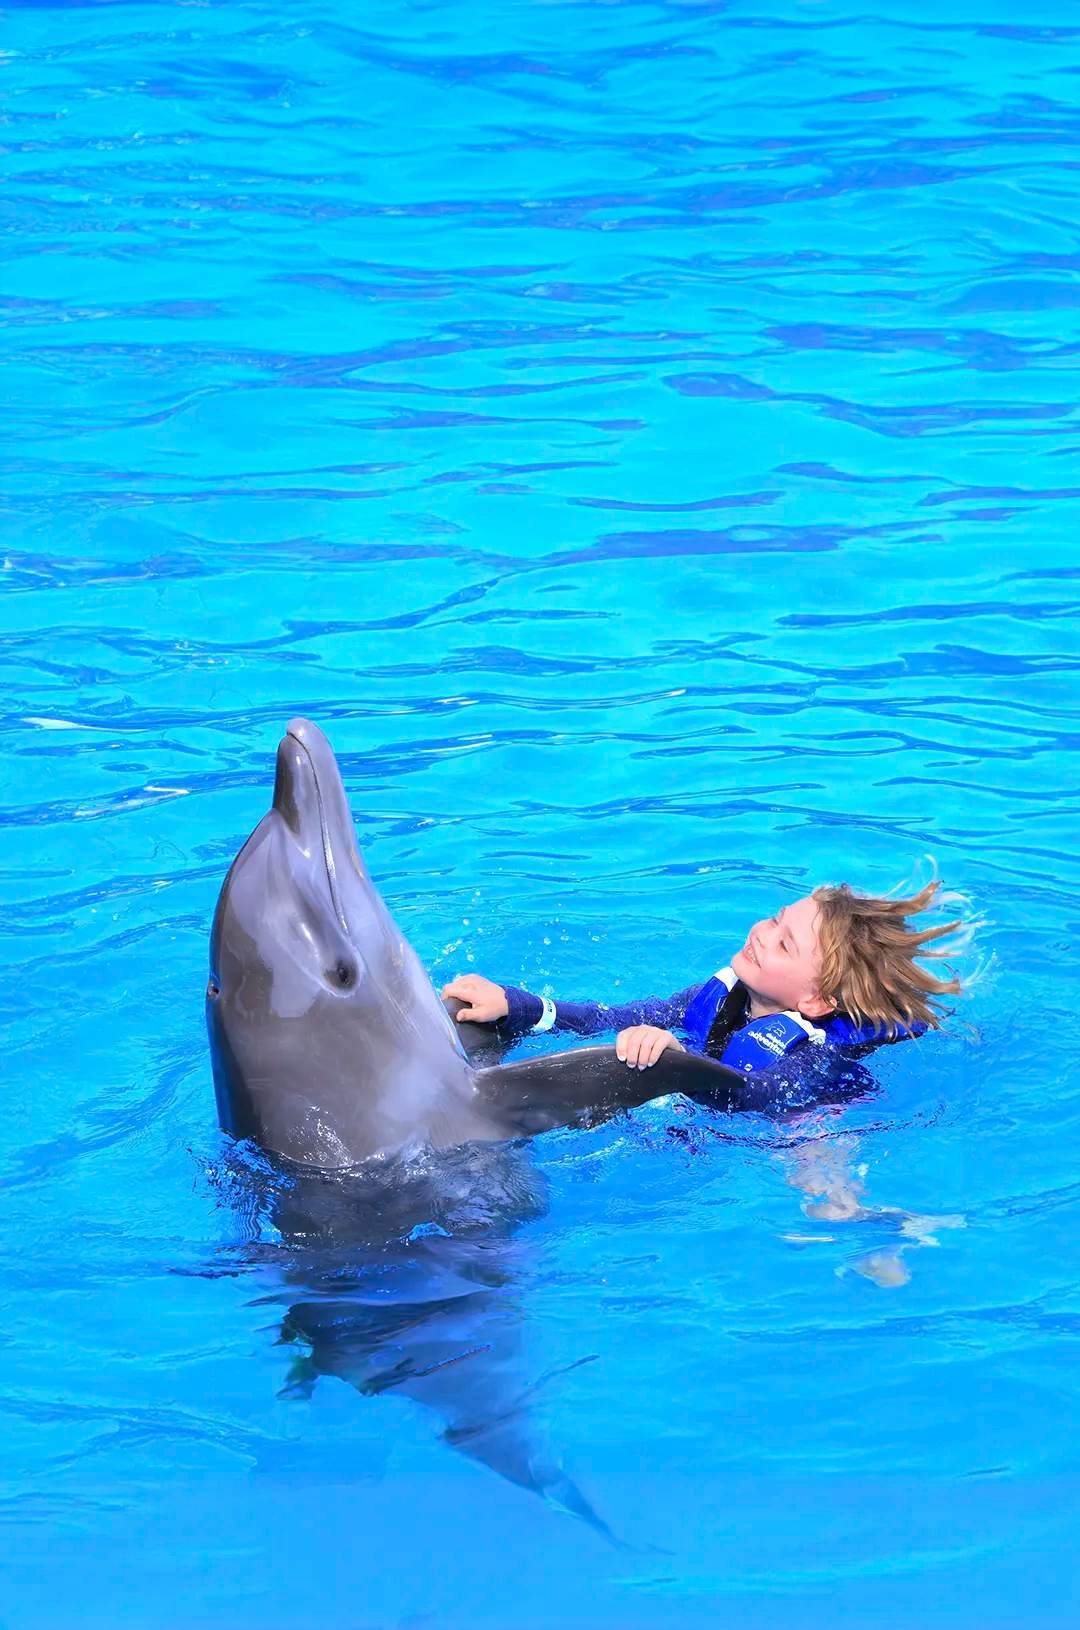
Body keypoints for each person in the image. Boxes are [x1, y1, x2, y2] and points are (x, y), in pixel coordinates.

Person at [441, 879, 963, 1082]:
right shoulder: (718, 998)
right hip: (721, 1090)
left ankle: (876, 1236)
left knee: (820, 1171)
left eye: (784, 943)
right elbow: (608, 1019)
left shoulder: (811, 1057)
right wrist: (519, 1007)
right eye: (776, 918)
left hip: (800, 1122)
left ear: (816, 1000)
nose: (762, 932)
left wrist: (677, 1064)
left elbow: (751, 1101)